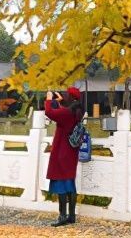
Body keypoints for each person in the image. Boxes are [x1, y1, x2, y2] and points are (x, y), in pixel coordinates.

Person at [43, 86, 85, 227]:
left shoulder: (66, 113)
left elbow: (50, 112)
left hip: (62, 152)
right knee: (69, 183)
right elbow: (60, 112)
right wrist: (58, 102)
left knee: (61, 184)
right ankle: (71, 216)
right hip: (71, 153)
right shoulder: (77, 112)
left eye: (66, 94)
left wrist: (49, 99)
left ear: (70, 97)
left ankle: (62, 216)